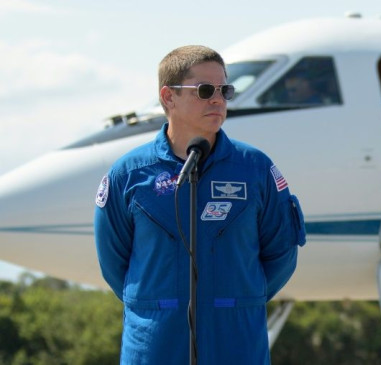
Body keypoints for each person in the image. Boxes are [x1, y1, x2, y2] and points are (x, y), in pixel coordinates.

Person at [94, 45, 306, 364]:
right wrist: (160, 303)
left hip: (236, 344)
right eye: (204, 90)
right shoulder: (129, 175)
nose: (218, 100)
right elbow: (114, 264)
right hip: (155, 346)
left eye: (225, 90)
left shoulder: (256, 169)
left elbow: (281, 254)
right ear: (168, 97)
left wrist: (235, 301)